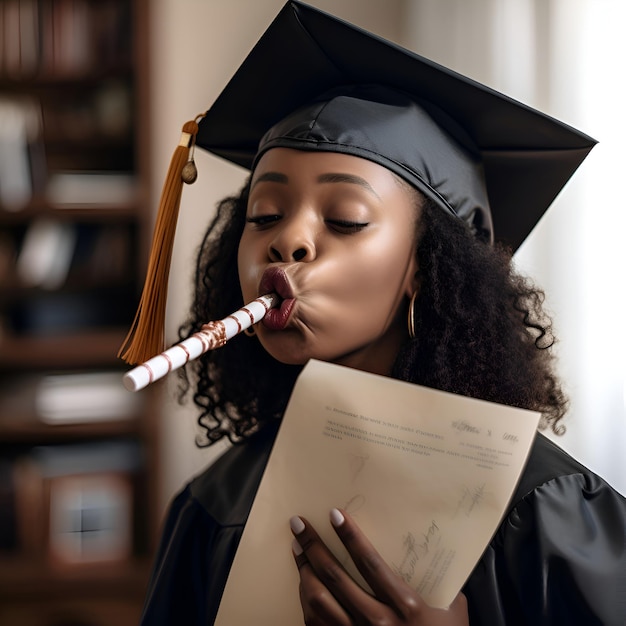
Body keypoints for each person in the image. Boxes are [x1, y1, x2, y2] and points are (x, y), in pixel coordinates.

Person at [126, 2, 626, 625]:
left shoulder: (544, 509)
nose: (288, 242)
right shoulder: (213, 505)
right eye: (264, 215)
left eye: (345, 219)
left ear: (430, 266)